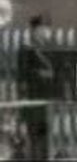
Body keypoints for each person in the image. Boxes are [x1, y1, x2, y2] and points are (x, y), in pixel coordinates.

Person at [17, 15, 54, 160]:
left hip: (47, 99)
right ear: (34, 31)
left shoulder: (48, 48)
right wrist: (41, 74)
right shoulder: (26, 48)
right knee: (34, 136)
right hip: (33, 98)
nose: (45, 32)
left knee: (46, 137)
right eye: (42, 29)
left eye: (46, 28)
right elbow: (23, 74)